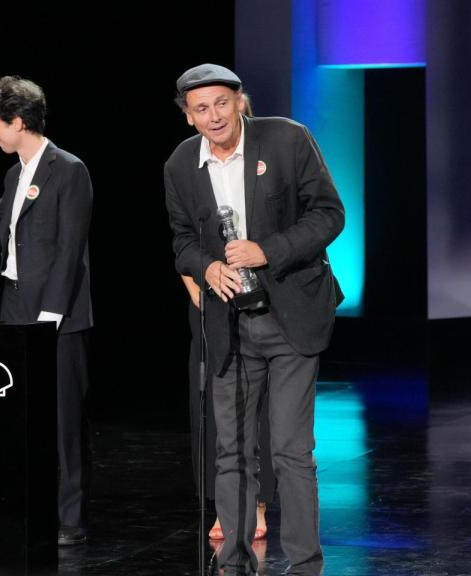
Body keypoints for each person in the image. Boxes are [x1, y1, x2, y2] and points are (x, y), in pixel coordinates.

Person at [165, 63, 344, 576]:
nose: (214, 115)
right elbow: (181, 239)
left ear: (241, 101)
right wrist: (208, 265)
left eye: (222, 102)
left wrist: (266, 251)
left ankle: (306, 563)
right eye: (201, 108)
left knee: (291, 450)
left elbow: (329, 213)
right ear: (188, 117)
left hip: (291, 316)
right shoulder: (181, 164)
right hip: (228, 322)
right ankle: (234, 562)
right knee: (232, 451)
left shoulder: (287, 139)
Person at [0, 76, 94, 547]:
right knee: (18, 414)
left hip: (57, 314)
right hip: (11, 305)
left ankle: (70, 518)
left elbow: (71, 248)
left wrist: (51, 312)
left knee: (63, 418)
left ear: (19, 122)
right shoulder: (14, 174)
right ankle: (29, 504)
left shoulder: (68, 169)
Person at [182, 274, 273, 541]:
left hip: (260, 293)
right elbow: (184, 239)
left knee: (260, 399)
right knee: (212, 399)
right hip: (210, 295)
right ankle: (225, 505)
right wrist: (196, 292)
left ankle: (258, 499)